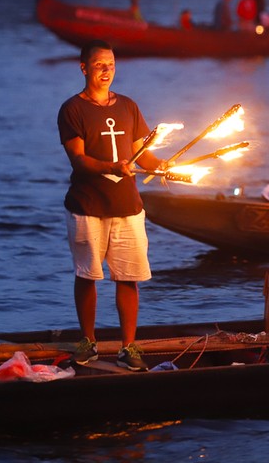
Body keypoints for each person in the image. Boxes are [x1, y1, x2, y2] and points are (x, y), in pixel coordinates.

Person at [57, 40, 166, 371]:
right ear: (84, 68)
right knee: (87, 275)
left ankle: (128, 347)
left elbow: (142, 154)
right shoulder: (72, 109)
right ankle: (87, 342)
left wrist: (163, 166)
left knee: (128, 277)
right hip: (87, 206)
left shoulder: (128, 106)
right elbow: (78, 159)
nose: (107, 71)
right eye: (99, 65)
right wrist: (112, 167)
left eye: (112, 65)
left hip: (127, 207)